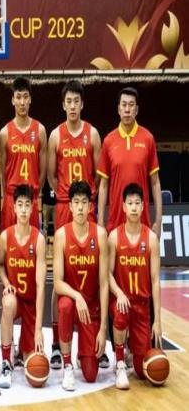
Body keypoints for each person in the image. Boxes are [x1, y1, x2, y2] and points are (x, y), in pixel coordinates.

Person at [47, 80, 102, 369]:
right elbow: (51, 175)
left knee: (92, 274)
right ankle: (57, 343)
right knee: (60, 276)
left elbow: (98, 174)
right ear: (63, 104)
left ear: (82, 104)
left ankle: (96, 339)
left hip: (86, 207)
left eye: (76, 101)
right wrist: (66, 199)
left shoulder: (92, 134)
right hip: (64, 207)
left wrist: (86, 201)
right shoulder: (56, 135)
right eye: (68, 101)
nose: (72, 106)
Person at [53, 181, 108, 391]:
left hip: (91, 308)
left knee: (91, 375)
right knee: (65, 305)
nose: (80, 207)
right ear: (69, 206)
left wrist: (103, 328)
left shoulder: (100, 235)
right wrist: (77, 296)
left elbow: (104, 284)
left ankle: (82, 353)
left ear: (90, 206)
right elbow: (58, 282)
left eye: (84, 202)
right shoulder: (61, 235)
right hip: (74, 302)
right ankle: (67, 365)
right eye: (76, 202)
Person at [108, 183, 161, 390]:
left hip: (141, 307)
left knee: (142, 370)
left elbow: (155, 280)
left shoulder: (151, 239)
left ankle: (132, 351)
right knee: (121, 312)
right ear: (123, 206)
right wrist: (119, 293)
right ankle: (120, 362)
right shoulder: (114, 237)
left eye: (137, 203)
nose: (133, 207)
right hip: (122, 302)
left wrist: (157, 320)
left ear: (143, 207)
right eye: (129, 203)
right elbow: (107, 274)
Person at [0, 184, 46, 388]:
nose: (24, 209)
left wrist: (38, 329)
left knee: (34, 364)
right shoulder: (5, 237)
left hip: (32, 303)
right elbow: (0, 264)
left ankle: (22, 350)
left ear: (32, 208)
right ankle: (6, 361)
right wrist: (7, 282)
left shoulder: (39, 240)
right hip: (16, 299)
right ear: (14, 207)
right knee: (7, 302)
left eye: (27, 205)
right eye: (20, 205)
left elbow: (41, 287)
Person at [97, 87, 162, 238]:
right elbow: (103, 185)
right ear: (118, 109)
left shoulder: (148, 138)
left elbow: (155, 183)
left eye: (131, 105)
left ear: (136, 110)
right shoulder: (108, 141)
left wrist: (158, 220)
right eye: (124, 105)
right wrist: (100, 220)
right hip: (115, 222)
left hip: (142, 221)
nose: (127, 109)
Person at [0, 76, 47, 231]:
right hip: (11, 198)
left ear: (30, 99)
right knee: (8, 243)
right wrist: (7, 196)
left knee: (32, 243)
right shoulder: (5, 133)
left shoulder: (40, 130)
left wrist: (33, 194)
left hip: (30, 198)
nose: (22, 102)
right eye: (18, 97)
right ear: (12, 100)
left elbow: (43, 172)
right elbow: (2, 172)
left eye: (25, 97)